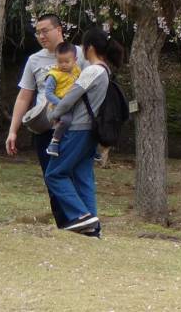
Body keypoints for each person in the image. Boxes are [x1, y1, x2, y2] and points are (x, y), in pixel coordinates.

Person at [4, 14, 86, 228]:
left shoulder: (81, 54)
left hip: (76, 127)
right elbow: (24, 96)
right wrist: (13, 130)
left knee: (76, 176)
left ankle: (83, 220)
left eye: (45, 30)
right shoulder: (35, 60)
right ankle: (65, 224)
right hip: (45, 129)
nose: (41, 36)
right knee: (52, 177)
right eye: (38, 32)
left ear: (59, 29)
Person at [43, 26, 125, 236]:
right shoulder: (106, 71)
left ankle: (81, 215)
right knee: (83, 176)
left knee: (54, 173)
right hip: (90, 131)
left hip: (78, 128)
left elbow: (71, 97)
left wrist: (53, 115)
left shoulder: (92, 71)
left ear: (89, 48)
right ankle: (92, 228)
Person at [37, 42, 82, 157]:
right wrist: (62, 104)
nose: (63, 65)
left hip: (74, 104)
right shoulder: (54, 75)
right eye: (60, 61)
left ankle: (89, 146)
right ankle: (54, 141)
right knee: (66, 120)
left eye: (67, 62)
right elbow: (48, 94)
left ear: (75, 59)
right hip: (59, 106)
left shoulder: (77, 70)